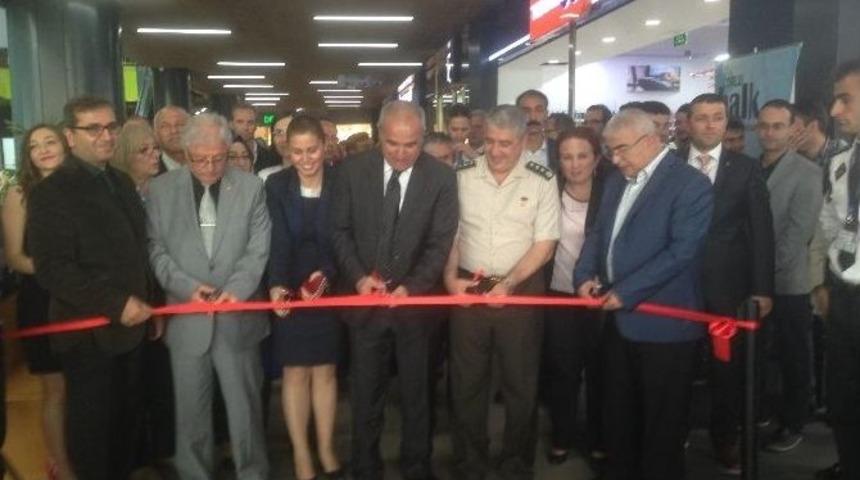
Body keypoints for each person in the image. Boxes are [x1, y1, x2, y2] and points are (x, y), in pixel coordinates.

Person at [574, 108, 713, 480]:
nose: (615, 159)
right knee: (619, 413)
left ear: (651, 140)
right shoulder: (616, 180)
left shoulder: (690, 184)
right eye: (610, 150)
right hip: (617, 322)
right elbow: (599, 233)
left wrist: (627, 292)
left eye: (621, 149)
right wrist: (583, 275)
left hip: (665, 326)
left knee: (661, 424)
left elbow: (682, 251)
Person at [27, 96, 154, 480]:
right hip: (89, 338)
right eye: (93, 128)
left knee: (125, 430)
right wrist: (117, 304)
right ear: (70, 136)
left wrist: (151, 304)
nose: (106, 135)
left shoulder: (120, 181)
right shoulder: (52, 192)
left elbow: (138, 250)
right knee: (93, 439)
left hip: (132, 331)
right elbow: (53, 269)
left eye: (111, 127)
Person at [331, 100, 458, 480]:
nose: (402, 153)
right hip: (365, 305)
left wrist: (412, 287)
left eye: (411, 144)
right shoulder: (352, 171)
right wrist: (358, 277)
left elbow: (440, 242)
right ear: (378, 137)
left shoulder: (441, 177)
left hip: (415, 308)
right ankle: (365, 466)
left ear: (423, 137)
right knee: (365, 394)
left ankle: (417, 466)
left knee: (417, 395)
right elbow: (339, 231)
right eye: (392, 144)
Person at [147, 112, 271, 480]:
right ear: (185, 153)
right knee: (190, 412)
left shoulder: (251, 188)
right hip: (187, 316)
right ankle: (194, 473)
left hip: (238, 317)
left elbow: (258, 249)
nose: (210, 166)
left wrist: (236, 290)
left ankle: (252, 472)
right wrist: (186, 287)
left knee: (245, 409)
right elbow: (155, 249)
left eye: (218, 158)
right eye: (200, 159)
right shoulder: (160, 190)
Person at [445, 105, 560, 479]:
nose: (495, 151)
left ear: (524, 141)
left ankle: (516, 461)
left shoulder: (542, 179)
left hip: (521, 285)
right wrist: (450, 280)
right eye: (490, 141)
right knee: (467, 381)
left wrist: (509, 283)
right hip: (470, 283)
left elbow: (545, 243)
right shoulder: (462, 176)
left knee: (520, 381)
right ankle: (469, 461)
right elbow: (451, 236)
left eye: (505, 144)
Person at [678, 93, 775, 474]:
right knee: (677, 363)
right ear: (688, 122)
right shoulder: (669, 163)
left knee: (726, 369)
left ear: (726, 121)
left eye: (717, 117)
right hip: (675, 284)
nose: (709, 125)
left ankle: (724, 439)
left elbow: (761, 231)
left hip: (727, 287)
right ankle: (675, 431)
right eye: (701, 117)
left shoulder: (745, 169)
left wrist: (762, 288)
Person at [266, 115, 343, 480]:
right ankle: (301, 454)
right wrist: (277, 284)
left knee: (325, 371)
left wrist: (325, 275)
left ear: (324, 147)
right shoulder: (276, 185)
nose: (305, 159)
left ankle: (326, 448)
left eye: (312, 150)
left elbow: (346, 236)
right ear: (287, 150)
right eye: (297, 151)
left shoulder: (342, 182)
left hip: (331, 282)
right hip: (291, 287)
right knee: (294, 372)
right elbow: (276, 239)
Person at [2, 124, 73, 480]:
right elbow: (15, 257)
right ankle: (61, 465)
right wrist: (60, 273)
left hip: (83, 299)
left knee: (84, 385)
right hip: (41, 298)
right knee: (55, 387)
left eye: (50, 142)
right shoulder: (20, 194)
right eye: (34, 145)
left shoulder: (80, 190)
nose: (43, 149)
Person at [755, 99, 823, 452]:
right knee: (759, 354)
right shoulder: (751, 167)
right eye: (764, 126)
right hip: (754, 282)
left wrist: (760, 274)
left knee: (793, 355)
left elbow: (798, 234)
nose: (769, 133)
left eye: (777, 126)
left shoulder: (808, 173)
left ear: (793, 128)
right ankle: (763, 411)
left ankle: (794, 422)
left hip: (788, 282)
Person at [542, 127, 608, 467]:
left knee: (601, 371)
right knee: (563, 370)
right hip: (559, 295)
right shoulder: (547, 190)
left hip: (602, 297)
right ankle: (562, 435)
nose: (575, 164)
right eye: (567, 157)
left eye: (582, 156)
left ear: (596, 159)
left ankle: (598, 437)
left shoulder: (613, 192)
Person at [816, 59, 860, 480]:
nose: (835, 111)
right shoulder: (840, 162)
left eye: (845, 100)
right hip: (845, 294)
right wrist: (822, 281)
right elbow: (829, 224)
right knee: (844, 394)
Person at [112, 121, 162, 201]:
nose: (156, 155)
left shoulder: (166, 187)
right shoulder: (115, 191)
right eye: (144, 150)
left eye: (155, 148)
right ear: (126, 154)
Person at [516, 89, 559, 171]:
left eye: (539, 110)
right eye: (526, 111)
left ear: (546, 114)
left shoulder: (559, 150)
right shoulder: (506, 149)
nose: (533, 117)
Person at [230, 102, 280, 173]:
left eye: (250, 122)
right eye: (240, 122)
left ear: (256, 125)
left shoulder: (270, 158)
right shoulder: (223, 155)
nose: (245, 127)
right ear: (231, 124)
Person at [154, 105, 189, 173]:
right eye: (165, 126)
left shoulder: (206, 166)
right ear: (156, 133)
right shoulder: (148, 173)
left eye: (180, 125)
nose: (174, 131)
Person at [258, 115, 293, 182]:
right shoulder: (264, 177)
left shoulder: (313, 175)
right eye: (279, 133)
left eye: (290, 132)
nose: (284, 139)